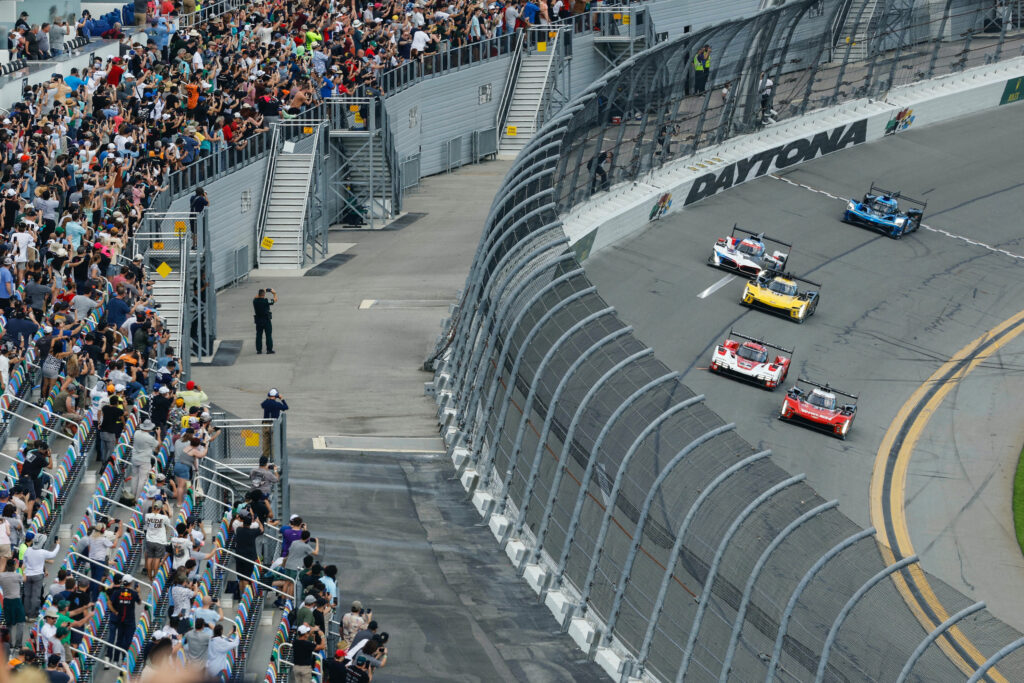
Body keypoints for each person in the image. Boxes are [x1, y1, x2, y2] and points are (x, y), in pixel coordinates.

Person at [104, 575, 141, 669]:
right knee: (127, 641)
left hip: (120, 620)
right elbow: (140, 602)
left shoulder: (117, 593)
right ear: (131, 583)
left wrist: (115, 611)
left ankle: (116, 660)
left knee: (119, 640)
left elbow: (109, 603)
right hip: (130, 622)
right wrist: (139, 591)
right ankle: (124, 661)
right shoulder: (133, 593)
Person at [23, 531, 60, 618]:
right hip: (38, 576)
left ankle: (26, 614)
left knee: (27, 596)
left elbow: (24, 563)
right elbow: (53, 554)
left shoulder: (28, 550)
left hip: (28, 575)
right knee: (36, 597)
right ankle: (33, 615)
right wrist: (58, 544)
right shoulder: (42, 552)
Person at [143, 499, 174, 580]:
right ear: (160, 508)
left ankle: (150, 576)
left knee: (150, 558)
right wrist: (163, 510)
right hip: (159, 541)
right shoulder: (163, 517)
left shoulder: (147, 516)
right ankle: (155, 575)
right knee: (157, 559)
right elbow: (168, 523)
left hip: (149, 540)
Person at [130, 420, 161, 500]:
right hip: (144, 460)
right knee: (142, 479)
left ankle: (132, 496)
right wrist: (158, 434)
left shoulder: (136, 432)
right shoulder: (149, 438)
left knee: (135, 477)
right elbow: (158, 444)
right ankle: (138, 498)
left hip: (135, 458)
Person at [0, 557, 26, 645]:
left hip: (6, 601)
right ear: (14, 566)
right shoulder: (17, 575)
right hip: (16, 601)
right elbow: (24, 579)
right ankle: (18, 644)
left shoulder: (1, 576)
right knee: (21, 622)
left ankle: (9, 644)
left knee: (9, 624)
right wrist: (23, 570)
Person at [253, 287, 277, 354]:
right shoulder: (266, 301)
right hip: (266, 321)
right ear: (264, 294)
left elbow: (257, 296)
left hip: (258, 321)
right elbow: (275, 300)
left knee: (259, 335)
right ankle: (269, 350)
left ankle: (259, 350)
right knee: (268, 335)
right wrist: (274, 293)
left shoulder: (255, 301)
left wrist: (264, 290)